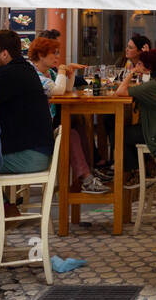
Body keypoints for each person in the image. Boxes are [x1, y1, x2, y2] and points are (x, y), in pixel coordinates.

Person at [27, 35, 105, 195]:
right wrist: (62, 70)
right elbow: (57, 91)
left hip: (48, 122)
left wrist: (70, 73)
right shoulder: (33, 74)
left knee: (77, 124)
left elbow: (66, 90)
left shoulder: (48, 72)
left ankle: (89, 171)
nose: (57, 57)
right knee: (70, 133)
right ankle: (86, 178)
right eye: (53, 53)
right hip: (36, 129)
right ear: (41, 55)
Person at [0, 29, 54, 175]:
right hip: (37, 151)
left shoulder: (9, 75)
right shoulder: (23, 69)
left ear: (4, 54)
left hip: (29, 156)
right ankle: (0, 198)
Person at [112, 47, 156, 171]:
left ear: (147, 67)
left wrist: (132, 72)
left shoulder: (152, 86)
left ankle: (132, 171)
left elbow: (120, 91)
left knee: (118, 134)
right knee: (129, 131)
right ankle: (142, 166)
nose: (137, 65)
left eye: (139, 63)